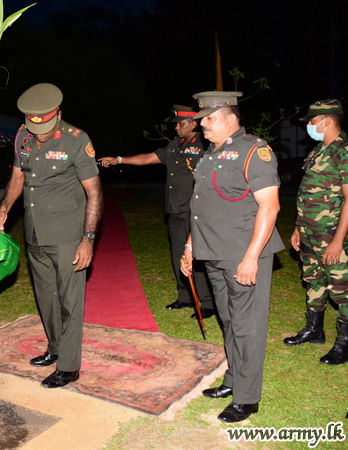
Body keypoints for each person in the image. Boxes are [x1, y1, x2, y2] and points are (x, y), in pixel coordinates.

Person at [181, 91, 284, 423]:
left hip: (242, 254)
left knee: (247, 326)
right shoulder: (211, 154)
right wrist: (190, 246)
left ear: (230, 118)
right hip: (213, 251)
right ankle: (233, 379)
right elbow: (201, 207)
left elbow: (270, 207)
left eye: (209, 119)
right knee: (229, 320)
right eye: (202, 119)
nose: (202, 125)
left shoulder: (255, 150)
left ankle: (247, 397)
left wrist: (252, 257)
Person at [0, 83, 103, 388]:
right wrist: (4, 209)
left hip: (67, 233)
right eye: (33, 126)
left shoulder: (77, 140)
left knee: (70, 300)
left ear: (58, 115)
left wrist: (88, 239)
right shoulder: (22, 136)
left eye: (45, 126)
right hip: (35, 232)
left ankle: (69, 366)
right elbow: (17, 176)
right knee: (46, 297)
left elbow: (93, 192)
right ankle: (55, 348)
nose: (38, 133)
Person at [99, 105, 215, 319]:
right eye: (177, 124)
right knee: (177, 253)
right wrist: (119, 159)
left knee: (196, 256)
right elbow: (149, 158)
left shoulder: (205, 144)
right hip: (175, 209)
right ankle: (185, 296)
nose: (177, 127)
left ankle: (207, 303)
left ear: (194, 123)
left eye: (181, 124)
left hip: (195, 210)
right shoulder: (174, 144)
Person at [286, 99, 348, 366]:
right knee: (314, 281)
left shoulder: (343, 152)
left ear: (327, 120)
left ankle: (344, 343)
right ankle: (314, 330)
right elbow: (307, 194)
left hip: (333, 236)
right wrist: (298, 228)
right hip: (310, 234)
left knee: (342, 290)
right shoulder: (318, 151)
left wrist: (338, 241)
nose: (310, 126)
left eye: (312, 121)